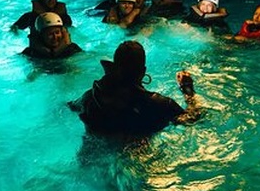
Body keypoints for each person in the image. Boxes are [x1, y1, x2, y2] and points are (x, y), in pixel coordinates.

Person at [70, 40, 201, 138]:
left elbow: (71, 106)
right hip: (135, 158)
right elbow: (193, 118)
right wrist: (187, 89)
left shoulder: (92, 96)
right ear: (143, 71)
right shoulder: (158, 104)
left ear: (114, 67)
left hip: (93, 157)